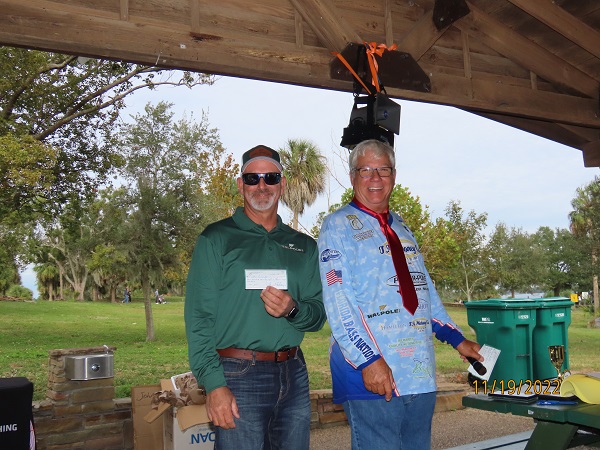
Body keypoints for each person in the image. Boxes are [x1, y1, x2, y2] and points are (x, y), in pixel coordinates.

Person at [317, 139, 483, 450]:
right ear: (352, 177)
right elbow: (339, 304)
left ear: (394, 175)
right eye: (365, 170)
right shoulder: (336, 227)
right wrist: (369, 360)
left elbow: (423, 291)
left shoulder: (402, 228)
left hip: (418, 372)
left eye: (383, 170)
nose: (375, 178)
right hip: (371, 375)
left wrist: (457, 339)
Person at [185, 144, 326, 450]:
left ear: (282, 184)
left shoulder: (304, 246)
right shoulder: (216, 238)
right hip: (238, 375)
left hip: (293, 374)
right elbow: (199, 320)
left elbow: (318, 315)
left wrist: (292, 309)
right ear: (241, 185)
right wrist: (214, 384)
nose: (262, 186)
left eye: (270, 178)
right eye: (252, 178)